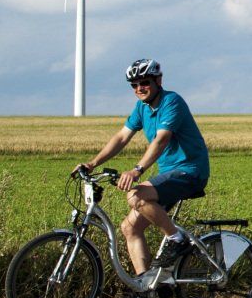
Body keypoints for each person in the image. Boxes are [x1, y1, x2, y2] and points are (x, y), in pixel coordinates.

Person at [75, 58, 212, 285]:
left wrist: (137, 170)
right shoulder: (142, 107)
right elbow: (122, 137)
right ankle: (146, 285)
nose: (139, 89)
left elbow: (161, 139)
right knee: (129, 227)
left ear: (158, 80)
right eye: (134, 85)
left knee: (136, 195)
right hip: (169, 174)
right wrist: (92, 163)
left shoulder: (171, 101)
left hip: (190, 172)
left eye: (145, 82)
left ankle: (176, 240)